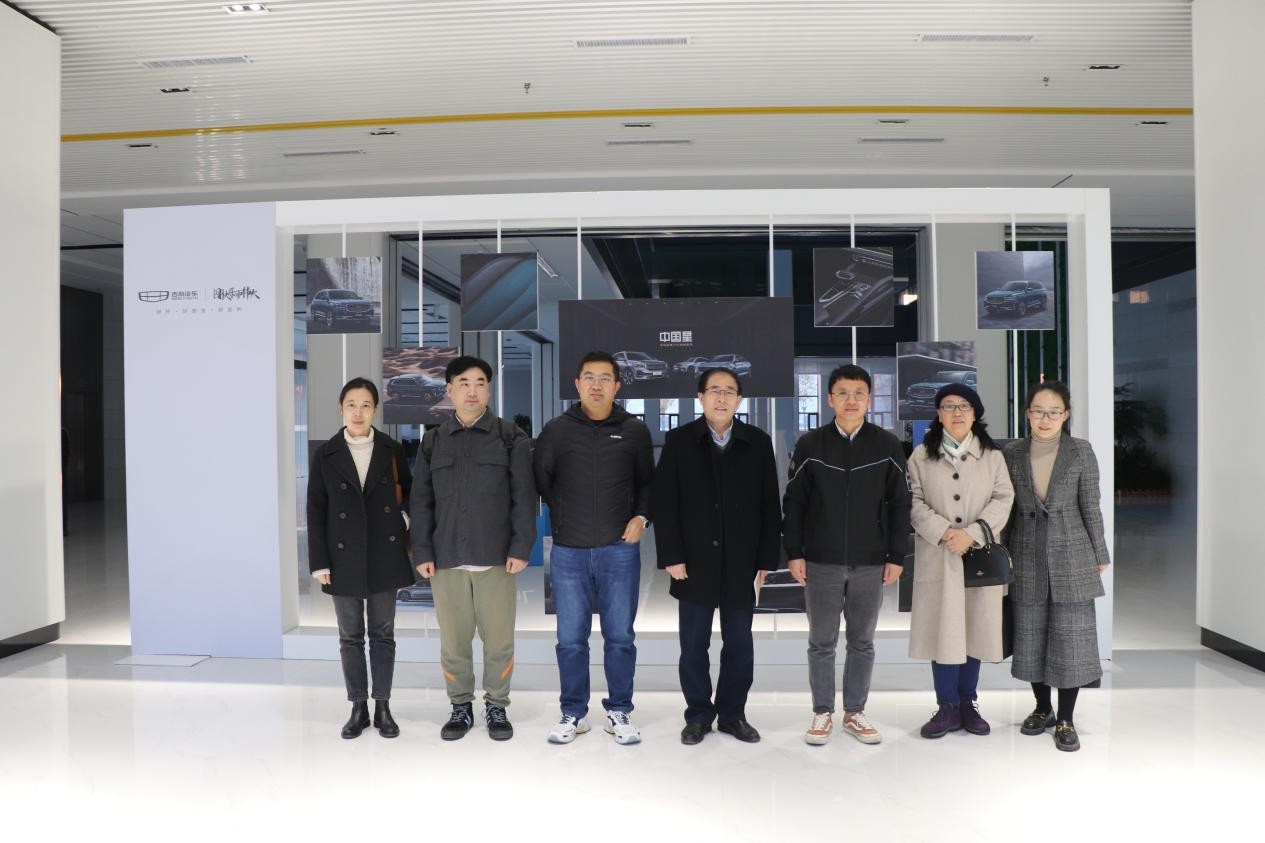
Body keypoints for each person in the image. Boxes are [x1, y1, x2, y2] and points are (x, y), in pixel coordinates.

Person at [783, 364, 911, 746]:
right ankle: (822, 712)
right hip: (821, 560)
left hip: (871, 561)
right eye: (842, 393)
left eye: (859, 393)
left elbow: (900, 504)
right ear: (830, 399)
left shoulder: (887, 445)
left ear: (869, 399)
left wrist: (897, 555)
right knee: (821, 641)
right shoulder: (811, 445)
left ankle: (855, 712)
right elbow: (794, 503)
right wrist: (794, 552)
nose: (851, 400)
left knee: (862, 641)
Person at [410, 356, 536, 742]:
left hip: (496, 557)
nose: (472, 390)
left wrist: (521, 546)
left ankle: (497, 705)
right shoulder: (433, 441)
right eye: (463, 383)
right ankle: (460, 706)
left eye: (480, 383)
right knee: (454, 643)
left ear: (488, 390)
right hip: (446, 558)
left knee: (499, 641)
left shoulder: (510, 436)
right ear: (449, 390)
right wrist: (422, 551)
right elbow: (421, 501)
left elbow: (524, 497)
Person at [653, 367, 782, 745]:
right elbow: (665, 502)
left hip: (742, 563)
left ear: (739, 399)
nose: (721, 398)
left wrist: (766, 561)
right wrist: (672, 555)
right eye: (714, 390)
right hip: (693, 562)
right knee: (694, 645)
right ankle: (697, 715)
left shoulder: (757, 442)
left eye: (729, 391)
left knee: (739, 644)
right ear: (700, 397)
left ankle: (732, 715)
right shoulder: (679, 441)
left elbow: (769, 505)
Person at [533, 350, 654, 745]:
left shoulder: (634, 430)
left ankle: (620, 711)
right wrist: (565, 516)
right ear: (577, 384)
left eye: (605, 378)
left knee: (620, 637)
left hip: (619, 550)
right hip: (568, 551)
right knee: (570, 639)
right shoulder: (557, 430)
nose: (596, 385)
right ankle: (574, 713)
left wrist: (641, 517)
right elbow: (542, 479)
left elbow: (648, 482)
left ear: (617, 386)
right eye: (589, 377)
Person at [1003, 380, 1110, 752]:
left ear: (1066, 415)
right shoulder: (1012, 453)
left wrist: (1100, 553)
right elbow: (1006, 508)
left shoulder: (1081, 451)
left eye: (1053, 412)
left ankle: (1066, 718)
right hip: (1025, 552)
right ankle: (1042, 707)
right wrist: (1003, 551)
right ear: (1027, 414)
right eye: (1038, 411)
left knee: (1071, 639)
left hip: (1073, 552)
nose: (1045, 419)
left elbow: (1091, 505)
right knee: (1030, 635)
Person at [307, 377, 414, 739]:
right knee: (350, 636)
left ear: (375, 410)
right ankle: (358, 707)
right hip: (342, 558)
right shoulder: (326, 454)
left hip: (385, 553)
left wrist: (401, 521)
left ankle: (383, 706)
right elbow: (316, 510)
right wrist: (319, 562)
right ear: (341, 408)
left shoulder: (390, 449)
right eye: (351, 404)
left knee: (383, 634)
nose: (358, 412)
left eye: (365, 405)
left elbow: (410, 494)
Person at [908, 383, 1014, 739]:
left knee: (975, 628)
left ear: (975, 414)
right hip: (939, 555)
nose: (957, 413)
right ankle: (946, 706)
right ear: (938, 414)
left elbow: (1004, 497)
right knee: (943, 630)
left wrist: (972, 533)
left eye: (964, 406)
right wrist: (943, 531)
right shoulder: (921, 456)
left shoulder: (992, 456)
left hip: (979, 555)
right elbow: (913, 502)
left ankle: (968, 703)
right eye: (949, 406)